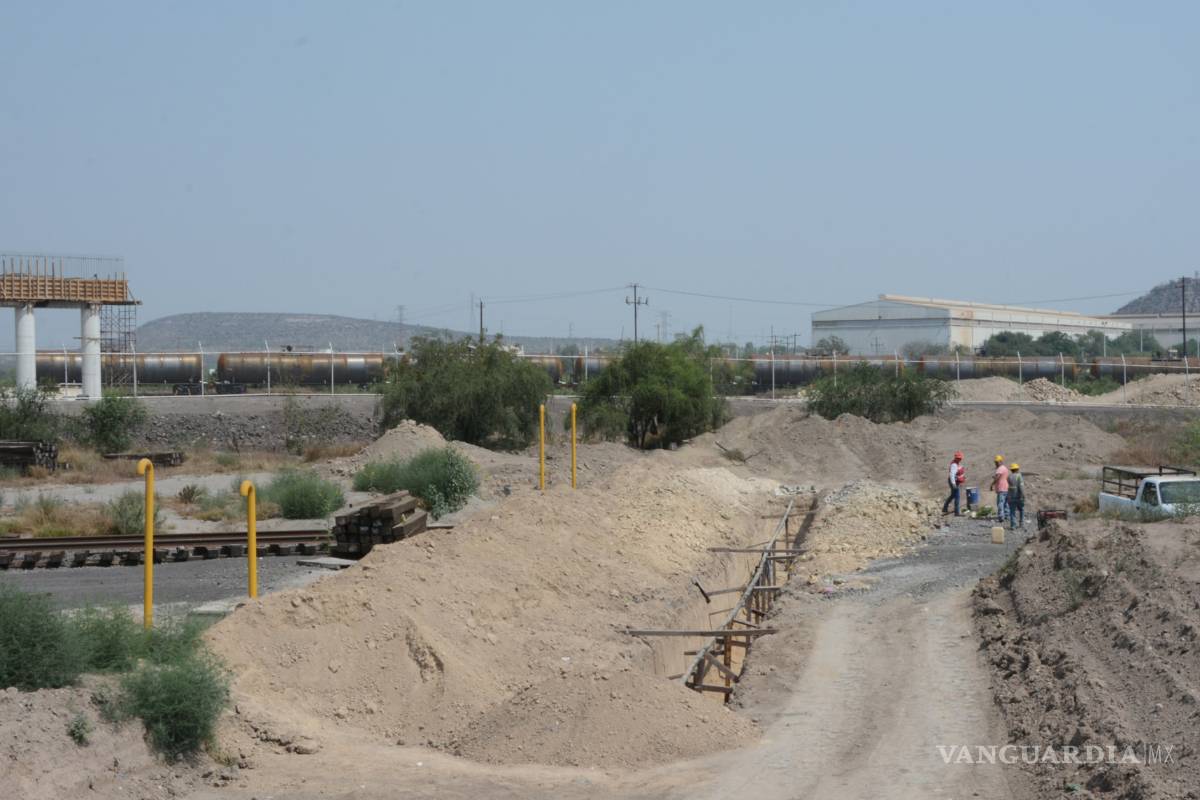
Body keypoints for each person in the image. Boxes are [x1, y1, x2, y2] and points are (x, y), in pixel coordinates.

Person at [942, 451, 964, 516]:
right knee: (957, 496)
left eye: (960, 458)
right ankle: (957, 512)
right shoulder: (954, 465)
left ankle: (945, 508)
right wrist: (954, 484)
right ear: (956, 458)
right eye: (958, 458)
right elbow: (952, 475)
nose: (959, 459)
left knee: (953, 495)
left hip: (955, 481)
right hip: (954, 482)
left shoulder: (957, 463)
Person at [989, 455, 1010, 523]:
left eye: (997, 462)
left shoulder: (1000, 469)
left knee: (1000, 503)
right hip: (1006, 488)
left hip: (1001, 488)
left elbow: (997, 477)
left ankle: (1001, 517)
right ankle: (1007, 515)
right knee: (1006, 503)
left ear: (1000, 461)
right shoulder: (1005, 468)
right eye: (995, 462)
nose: (996, 463)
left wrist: (992, 484)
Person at [1007, 463, 1025, 529]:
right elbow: (1021, 487)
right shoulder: (1019, 476)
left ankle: (1013, 525)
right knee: (1021, 510)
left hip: (1010, 497)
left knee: (1012, 511)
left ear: (1011, 470)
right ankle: (1021, 523)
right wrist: (1023, 495)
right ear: (1017, 469)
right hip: (1018, 497)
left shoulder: (1009, 477)